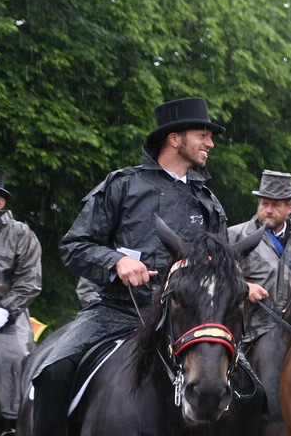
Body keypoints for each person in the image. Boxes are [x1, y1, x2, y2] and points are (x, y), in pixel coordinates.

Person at [26, 96, 261, 436]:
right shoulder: (121, 185)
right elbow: (73, 246)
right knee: (53, 372)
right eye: (202, 134)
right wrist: (116, 261)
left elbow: (218, 266)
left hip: (187, 320)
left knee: (255, 394)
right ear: (174, 139)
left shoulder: (209, 203)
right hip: (117, 311)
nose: (210, 143)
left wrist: (238, 283)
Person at [227, 169, 291, 342]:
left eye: (276, 205)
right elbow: (216, 281)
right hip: (247, 333)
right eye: (264, 203)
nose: (268, 210)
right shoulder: (236, 236)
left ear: (290, 208)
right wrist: (245, 287)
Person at [0, 167, 42, 436]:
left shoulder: (20, 235)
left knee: (12, 356)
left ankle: (13, 423)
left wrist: (1, 313)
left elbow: (30, 282)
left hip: (7, 318)